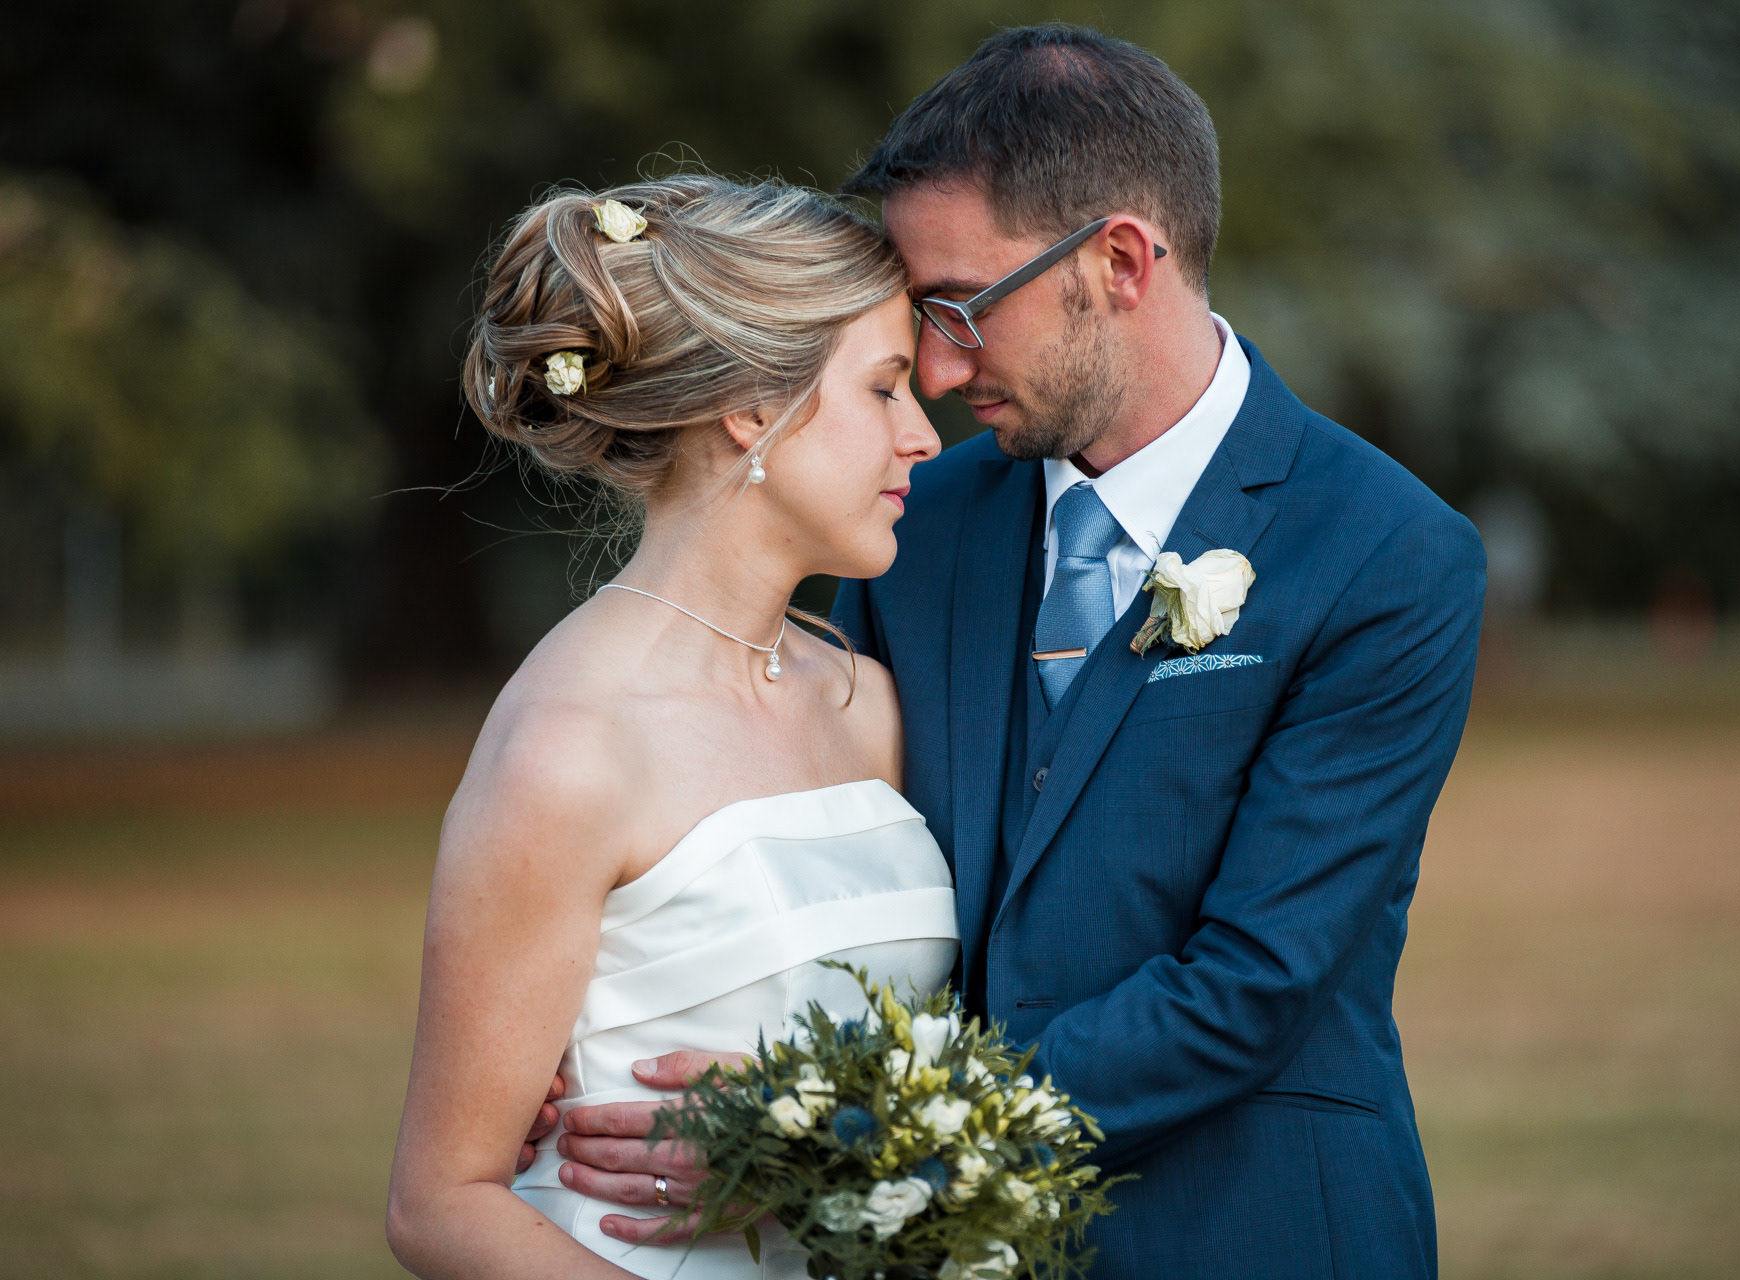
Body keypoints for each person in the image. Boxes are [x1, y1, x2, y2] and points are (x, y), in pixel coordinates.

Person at [557, 26, 1486, 1280]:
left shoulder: (1385, 552)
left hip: (1257, 1232)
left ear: (1120, 262)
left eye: (962, 306)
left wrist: (831, 1125)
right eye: (919, 319)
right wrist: (605, 1023)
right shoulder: (912, 529)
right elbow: (813, 833)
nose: (938, 370)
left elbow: (1254, 984)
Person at [384, 174, 954, 1280]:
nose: (924, 436)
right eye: (885, 389)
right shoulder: (570, 746)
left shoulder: (871, 703)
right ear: (751, 407)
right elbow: (439, 1205)